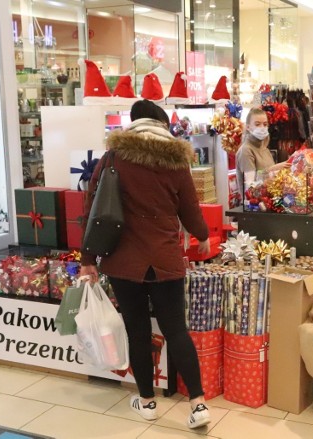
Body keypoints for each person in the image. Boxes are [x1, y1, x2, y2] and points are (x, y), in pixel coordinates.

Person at [80, 99, 211, 429]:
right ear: (162, 125)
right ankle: (197, 404)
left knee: (137, 331)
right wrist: (203, 235)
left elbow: (93, 207)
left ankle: (148, 401)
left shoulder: (114, 156)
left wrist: (87, 259)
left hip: (123, 258)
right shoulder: (176, 161)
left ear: (133, 122)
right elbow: (190, 209)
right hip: (165, 257)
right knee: (176, 330)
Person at [235, 108, 289, 186]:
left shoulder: (265, 149)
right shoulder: (246, 151)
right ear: (248, 127)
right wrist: (273, 169)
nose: (262, 127)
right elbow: (250, 185)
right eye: (257, 124)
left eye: (265, 124)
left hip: (269, 196)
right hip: (254, 198)